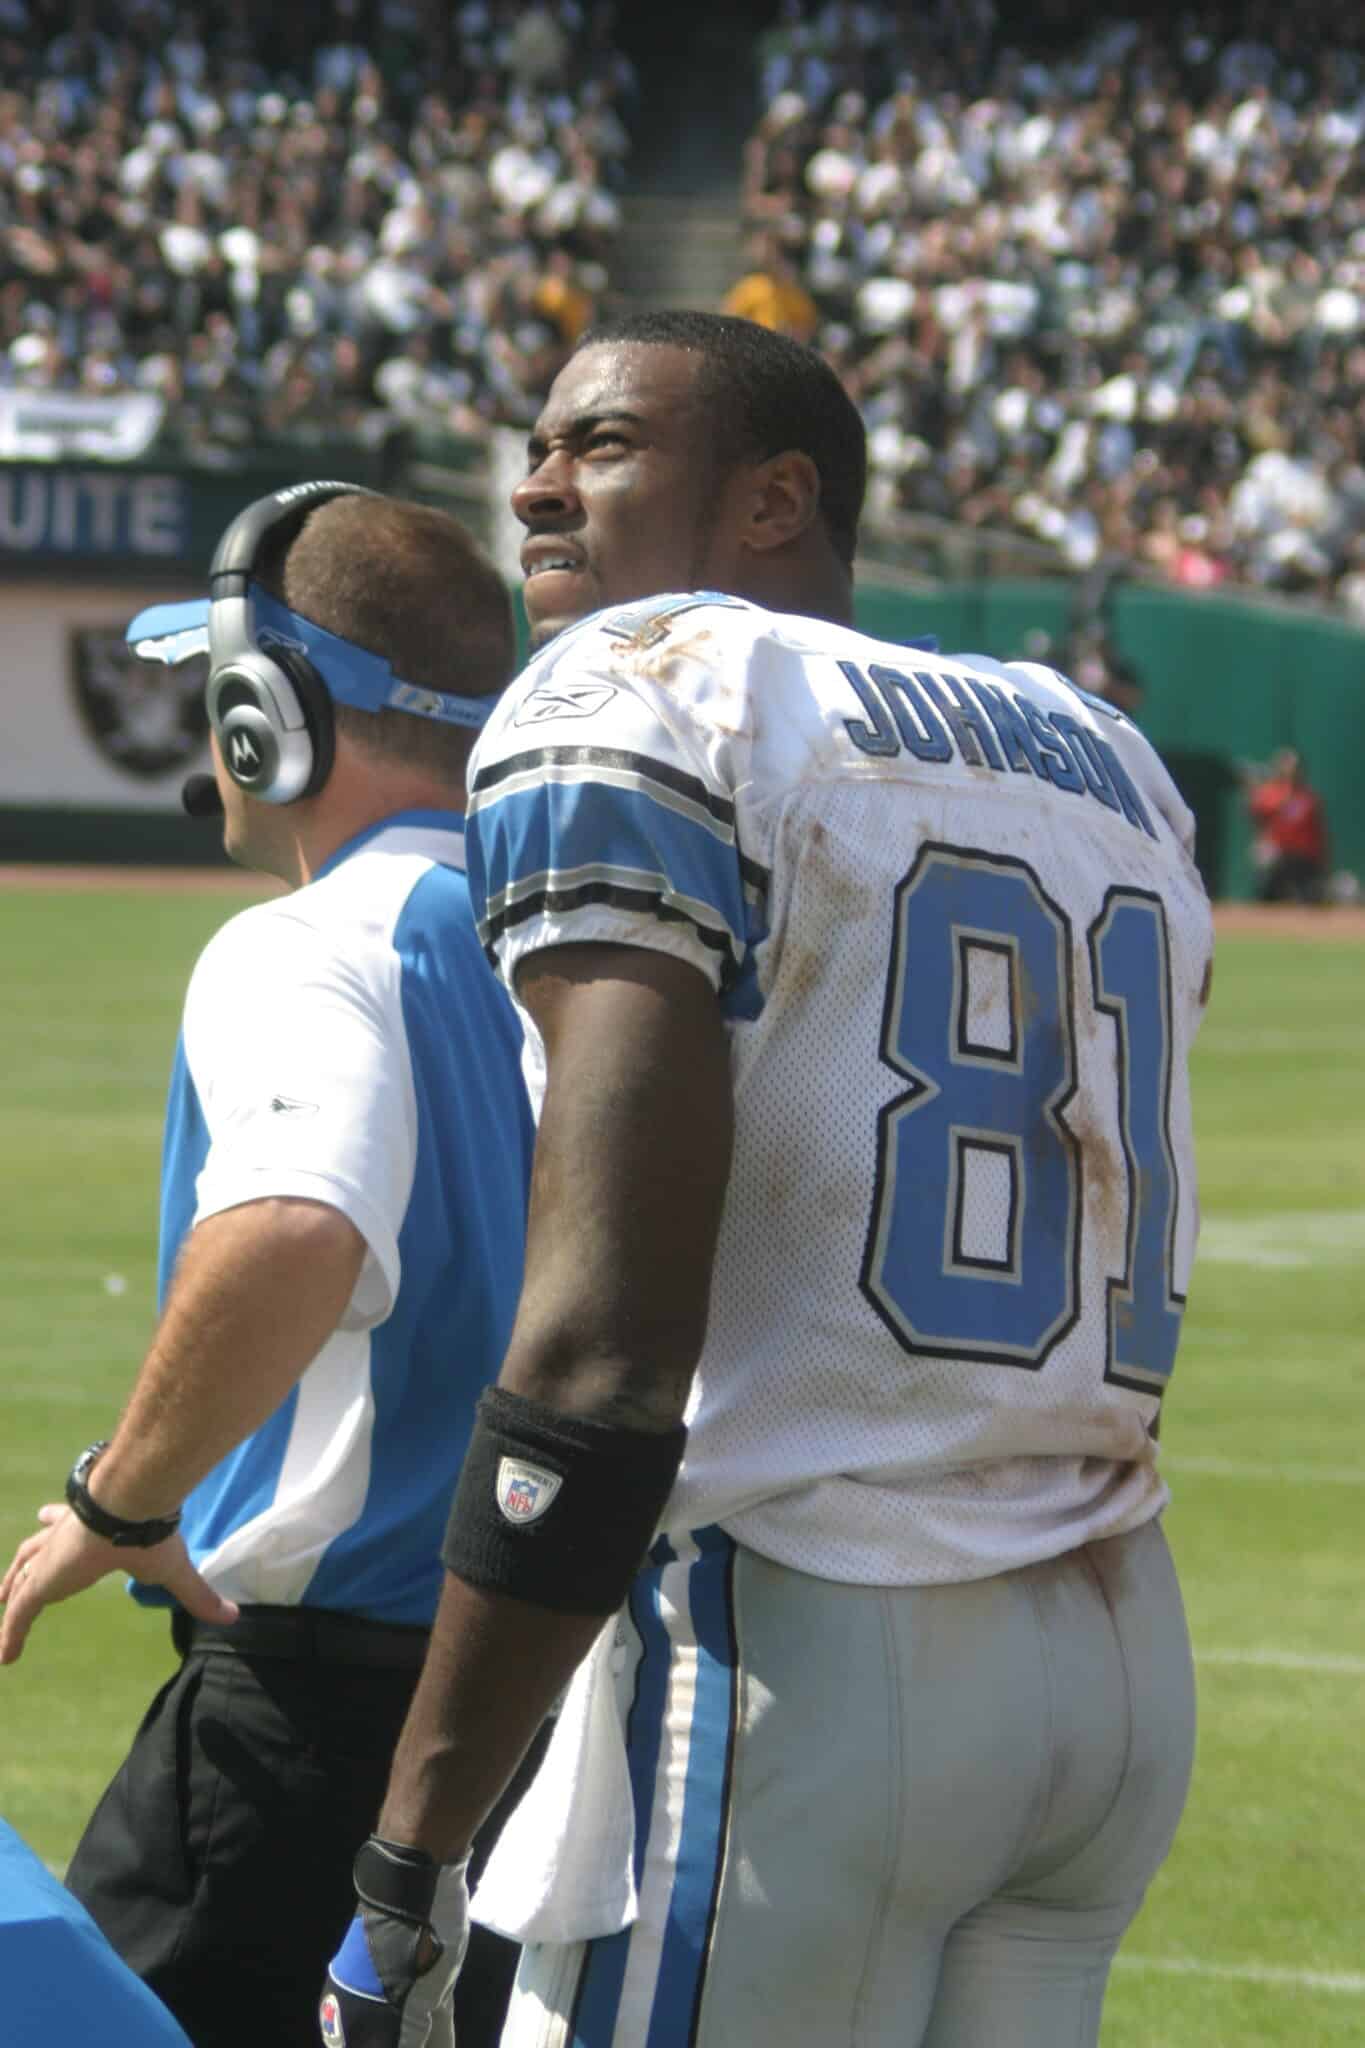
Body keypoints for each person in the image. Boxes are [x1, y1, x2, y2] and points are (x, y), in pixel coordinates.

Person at [322, 313, 1212, 2048]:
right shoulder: (1098, 747)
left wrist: (408, 1850)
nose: (535, 486)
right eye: (540, 444)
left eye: (602, 444)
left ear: (772, 499)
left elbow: (601, 1358)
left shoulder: (646, 682)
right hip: (1113, 1655)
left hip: (810, 1631)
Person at [0, 484, 537, 2048]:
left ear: (269, 717)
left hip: (311, 1710)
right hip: (539, 1701)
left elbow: (298, 1223)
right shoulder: (581, 943)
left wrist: (126, 1498)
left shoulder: (308, 944)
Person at [1244, 747, 1330, 903]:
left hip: (1303, 857)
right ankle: (1264, 900)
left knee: (1311, 897)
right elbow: (1256, 813)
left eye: (1294, 767)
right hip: (1278, 854)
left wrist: (1322, 860)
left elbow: (1318, 833)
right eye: (1286, 766)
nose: (1291, 771)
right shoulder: (1270, 793)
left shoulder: (1308, 798)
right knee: (1265, 855)